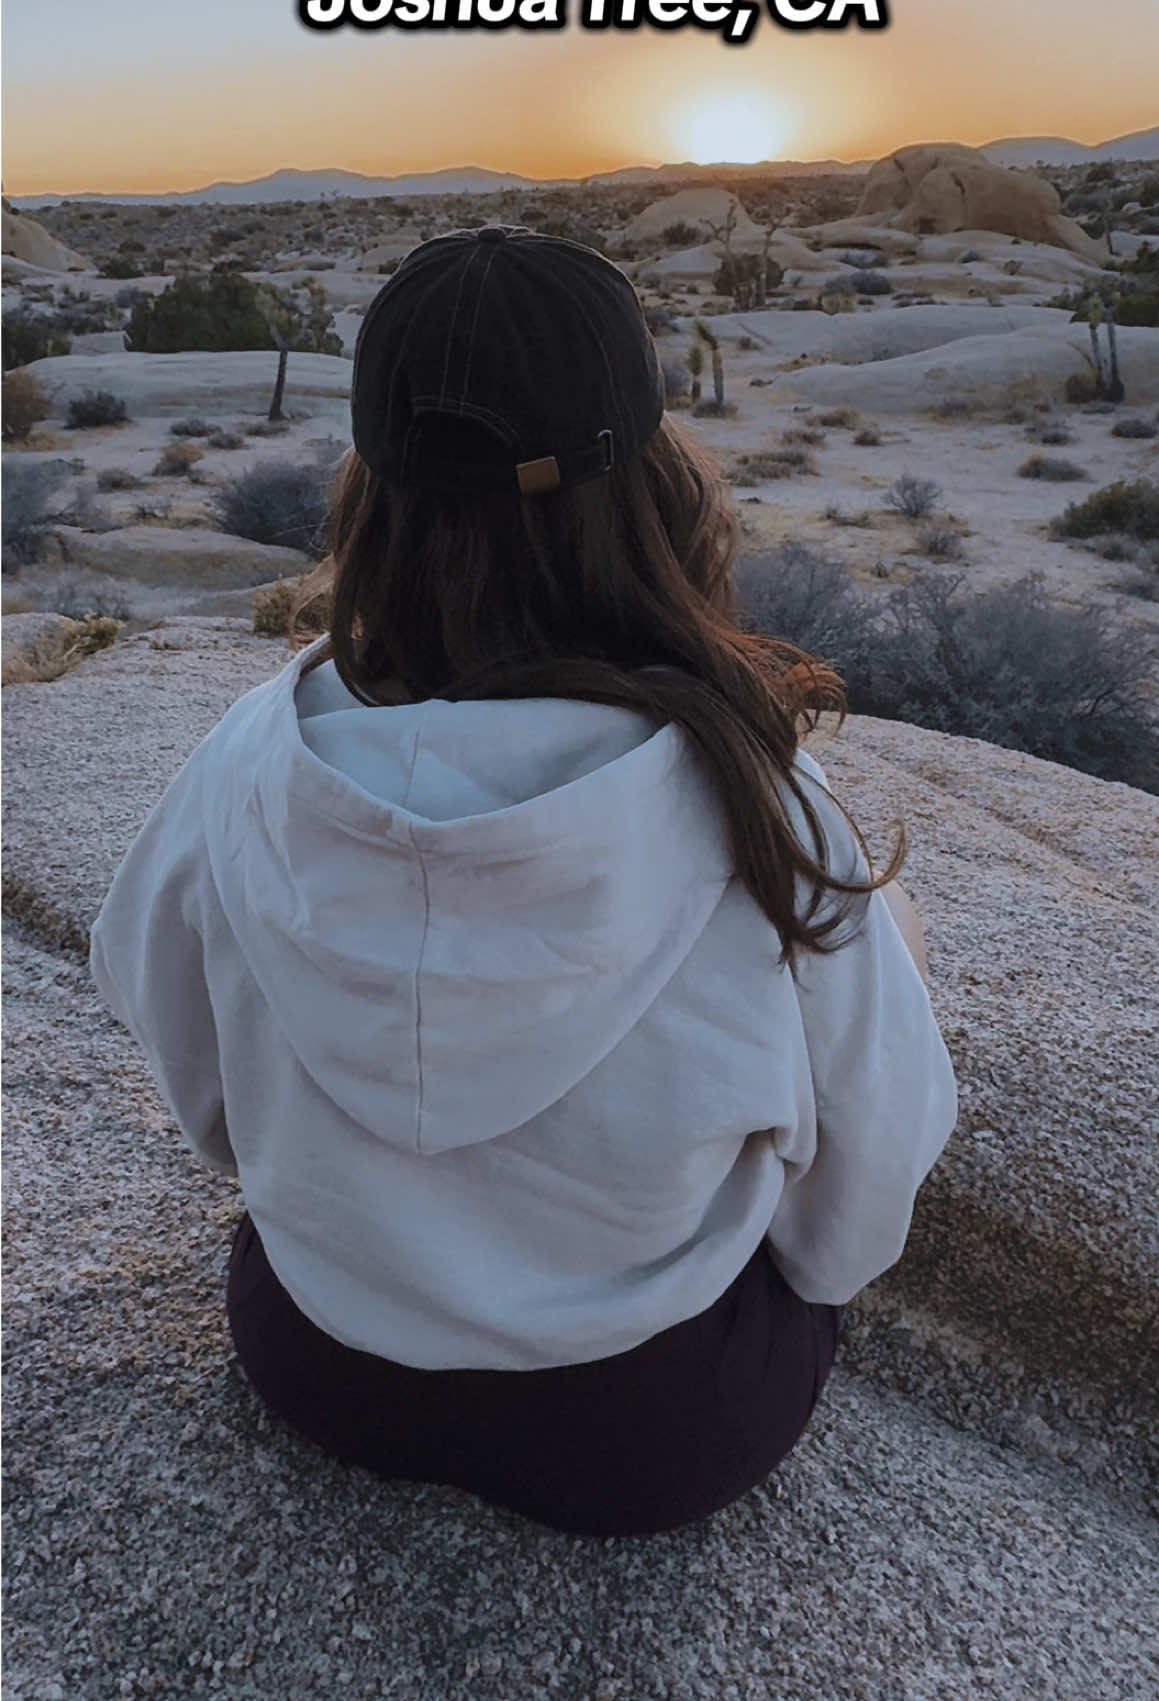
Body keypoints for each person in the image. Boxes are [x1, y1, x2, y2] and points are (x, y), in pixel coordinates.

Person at [89, 225, 959, 1540]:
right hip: (649, 1429)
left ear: (371, 486)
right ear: (644, 480)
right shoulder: (754, 802)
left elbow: (182, 1049)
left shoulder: (250, 763)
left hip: (322, 1363)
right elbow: (862, 1176)